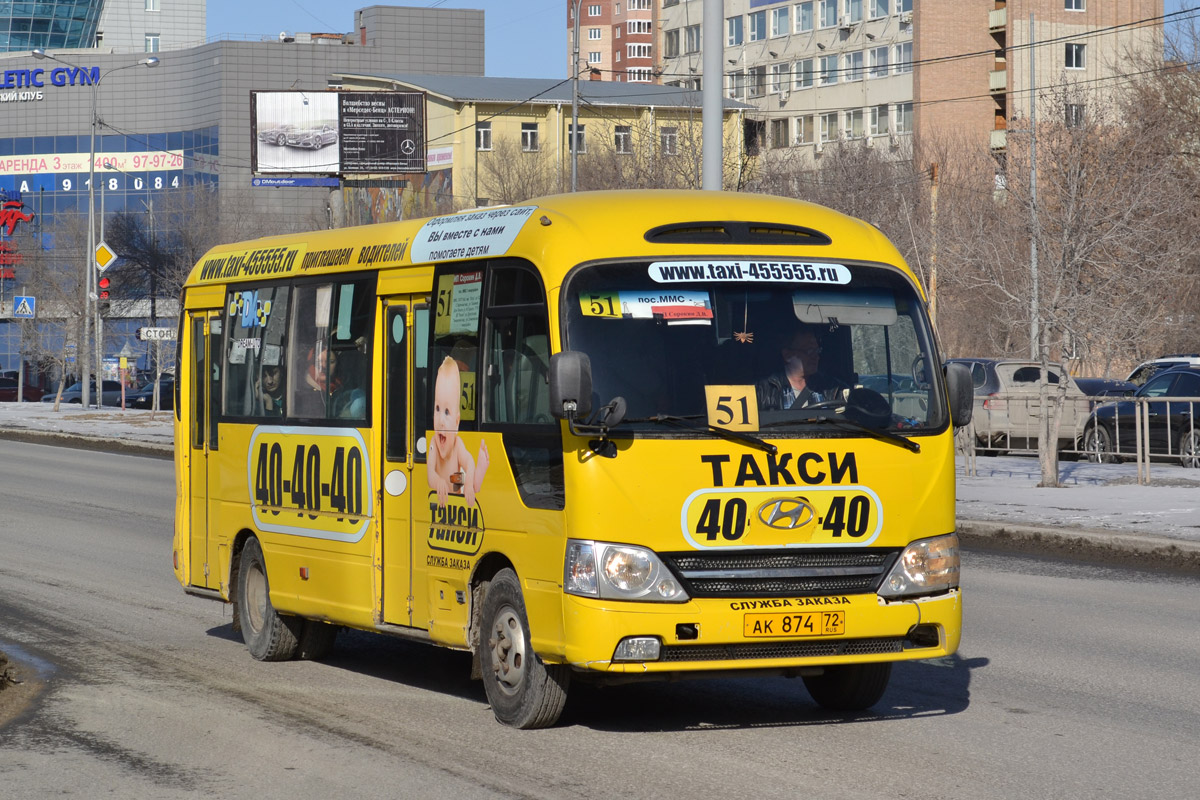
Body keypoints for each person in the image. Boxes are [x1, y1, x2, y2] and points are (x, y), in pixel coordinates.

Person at [428, 356, 490, 508]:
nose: (441, 420)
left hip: (455, 492)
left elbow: (468, 461)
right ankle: (472, 482)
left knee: (463, 479)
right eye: (437, 409)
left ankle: (475, 480)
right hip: (444, 495)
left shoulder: (457, 444)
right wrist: (438, 481)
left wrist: (468, 484)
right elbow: (430, 474)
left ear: (457, 423)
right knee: (457, 478)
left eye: (447, 412)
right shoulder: (434, 445)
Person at [756, 325, 846, 410]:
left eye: (817, 350)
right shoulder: (762, 391)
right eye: (810, 351)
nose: (816, 357)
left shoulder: (835, 389)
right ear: (787, 355)